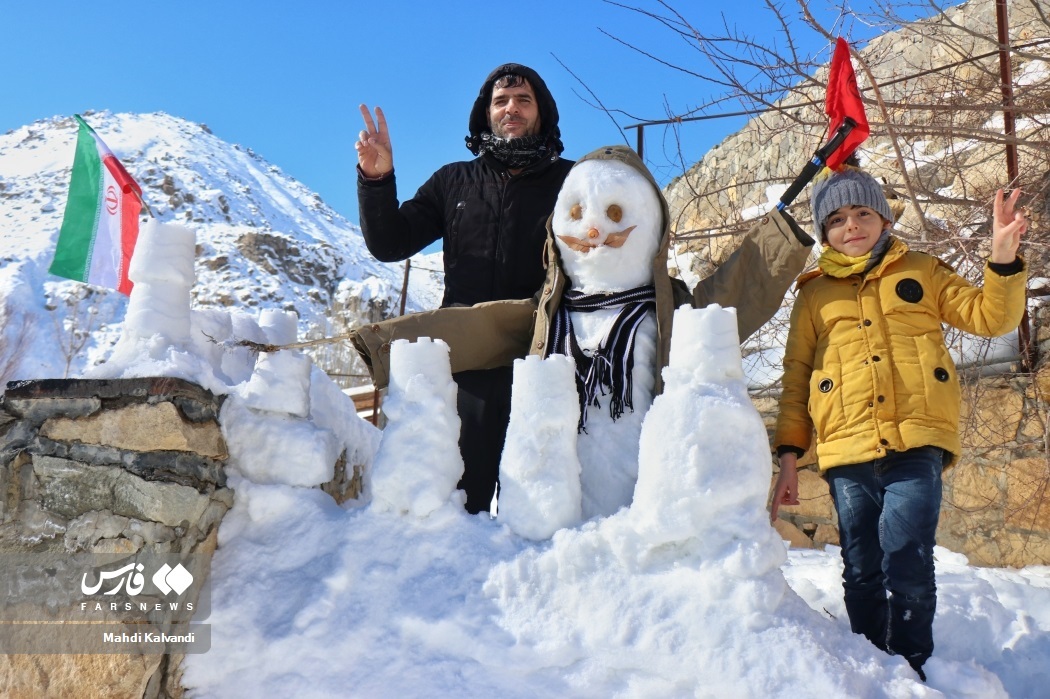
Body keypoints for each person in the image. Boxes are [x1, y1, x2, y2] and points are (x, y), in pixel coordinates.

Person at [769, 165, 1028, 680]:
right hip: (847, 449)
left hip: (917, 441)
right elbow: (796, 375)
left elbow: (991, 318)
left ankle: (911, 667)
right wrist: (790, 456)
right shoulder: (814, 295)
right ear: (824, 233)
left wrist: (1002, 257)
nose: (852, 225)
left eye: (863, 212)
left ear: (885, 217)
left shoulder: (922, 270)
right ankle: (872, 662)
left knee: (907, 559)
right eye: (837, 218)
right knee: (862, 566)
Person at [354, 63, 574, 514]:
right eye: (501, 101)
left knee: (535, 507)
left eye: (523, 100)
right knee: (457, 505)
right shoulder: (453, 181)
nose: (511, 108)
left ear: (542, 112)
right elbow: (389, 242)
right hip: (465, 365)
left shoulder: (572, 184)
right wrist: (377, 179)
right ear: (485, 113)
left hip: (542, 357)